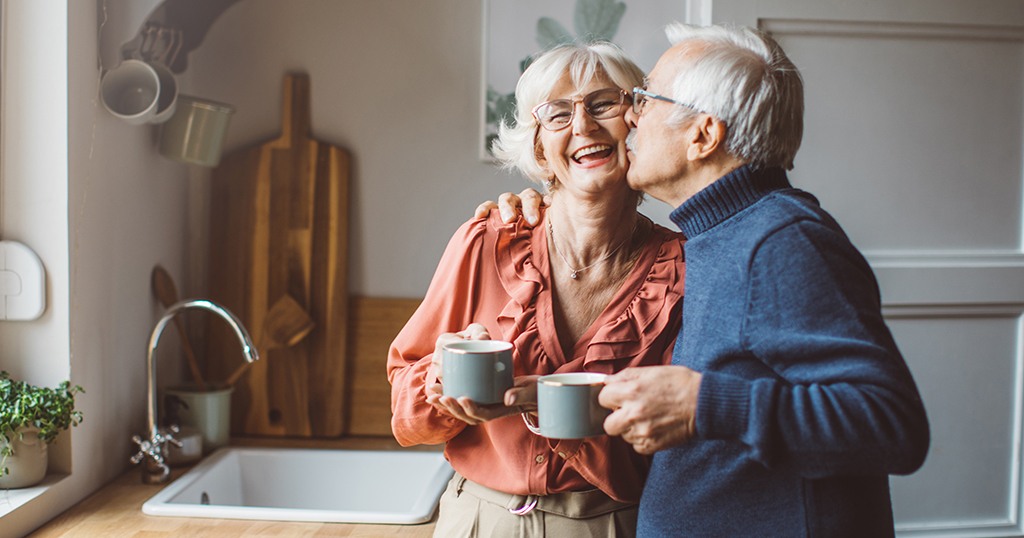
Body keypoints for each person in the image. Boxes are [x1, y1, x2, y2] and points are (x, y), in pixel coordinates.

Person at [483, 23, 930, 537]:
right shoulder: (720, 236)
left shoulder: (782, 242)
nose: (629, 115)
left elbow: (893, 424)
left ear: (703, 135)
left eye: (646, 99)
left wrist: (702, 405)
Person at [387, 40, 688, 538]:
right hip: (479, 519)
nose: (584, 127)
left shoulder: (684, 268)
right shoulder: (485, 240)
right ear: (540, 149)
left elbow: (684, 440)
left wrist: (556, 406)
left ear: (637, 124)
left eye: (603, 104)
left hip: (615, 523)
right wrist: (435, 385)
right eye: (557, 115)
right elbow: (404, 412)